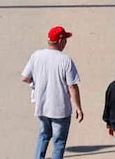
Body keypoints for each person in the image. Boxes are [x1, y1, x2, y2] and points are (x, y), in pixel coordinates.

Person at [22, 26, 83, 159]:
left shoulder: (36, 56)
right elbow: (72, 86)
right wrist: (78, 107)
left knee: (43, 135)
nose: (66, 42)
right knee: (59, 141)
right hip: (60, 109)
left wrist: (37, 81)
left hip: (42, 106)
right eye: (65, 39)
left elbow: (25, 77)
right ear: (60, 41)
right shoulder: (65, 60)